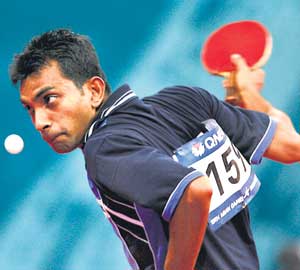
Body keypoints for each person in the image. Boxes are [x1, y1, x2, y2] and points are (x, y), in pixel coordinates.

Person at [9, 29, 300, 270]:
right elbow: (291, 146)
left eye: (49, 99)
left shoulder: (105, 149)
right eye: (30, 109)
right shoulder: (188, 99)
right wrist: (251, 96)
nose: (40, 122)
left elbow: (194, 191)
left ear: (94, 91)